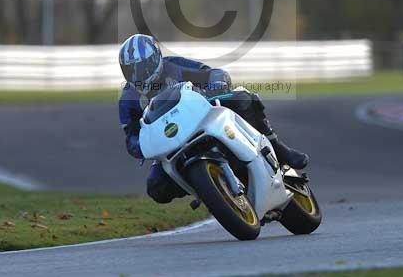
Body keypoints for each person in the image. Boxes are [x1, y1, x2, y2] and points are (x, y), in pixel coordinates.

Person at [118, 33, 309, 203]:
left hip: (202, 116)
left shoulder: (174, 66)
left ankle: (278, 148)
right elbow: (131, 135)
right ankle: (206, 189)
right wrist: (141, 146)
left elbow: (214, 73)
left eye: (143, 68)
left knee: (242, 98)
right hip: (171, 141)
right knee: (156, 187)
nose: (138, 76)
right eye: (131, 71)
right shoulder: (128, 99)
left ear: (156, 59)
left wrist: (215, 85)